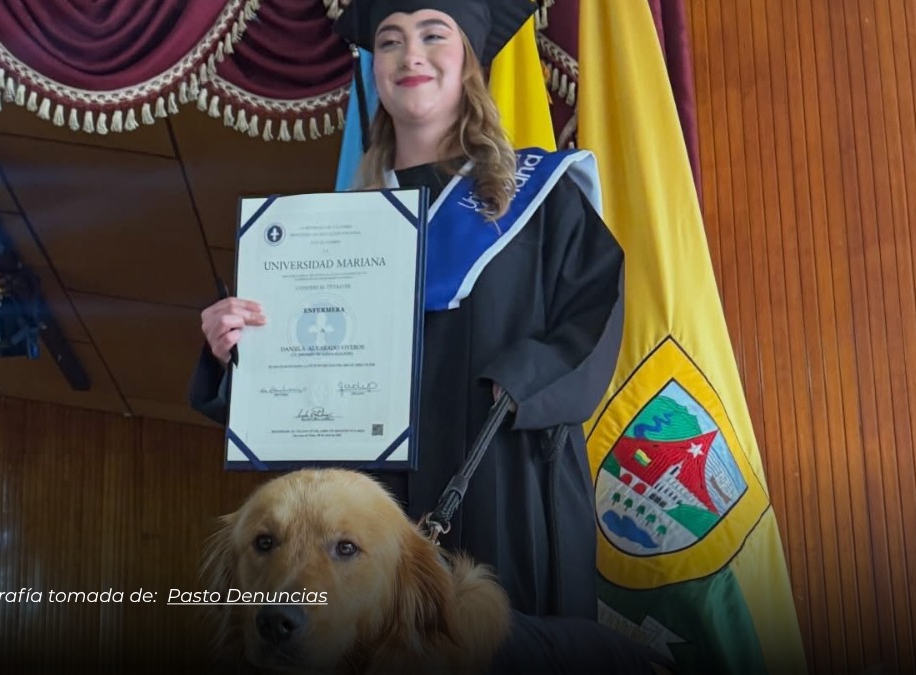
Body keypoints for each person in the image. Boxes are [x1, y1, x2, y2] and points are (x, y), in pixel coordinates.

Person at [189, 0, 625, 624]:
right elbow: (294, 393)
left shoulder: (544, 199)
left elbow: (594, 314)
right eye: (389, 41)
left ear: (469, 61)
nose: (409, 54)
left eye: (431, 35)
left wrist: (523, 379)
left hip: (502, 473)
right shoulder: (330, 232)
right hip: (370, 499)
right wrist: (235, 352)